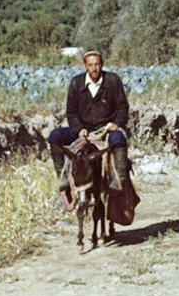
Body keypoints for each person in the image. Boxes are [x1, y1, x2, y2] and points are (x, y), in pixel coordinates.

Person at [49, 50, 130, 192]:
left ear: (102, 64)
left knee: (119, 138)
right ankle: (63, 176)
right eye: (91, 65)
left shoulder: (112, 80)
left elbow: (123, 105)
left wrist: (116, 124)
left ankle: (119, 178)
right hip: (83, 130)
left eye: (97, 64)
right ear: (85, 66)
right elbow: (71, 112)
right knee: (55, 136)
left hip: (105, 129)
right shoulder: (76, 83)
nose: (94, 68)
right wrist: (79, 128)